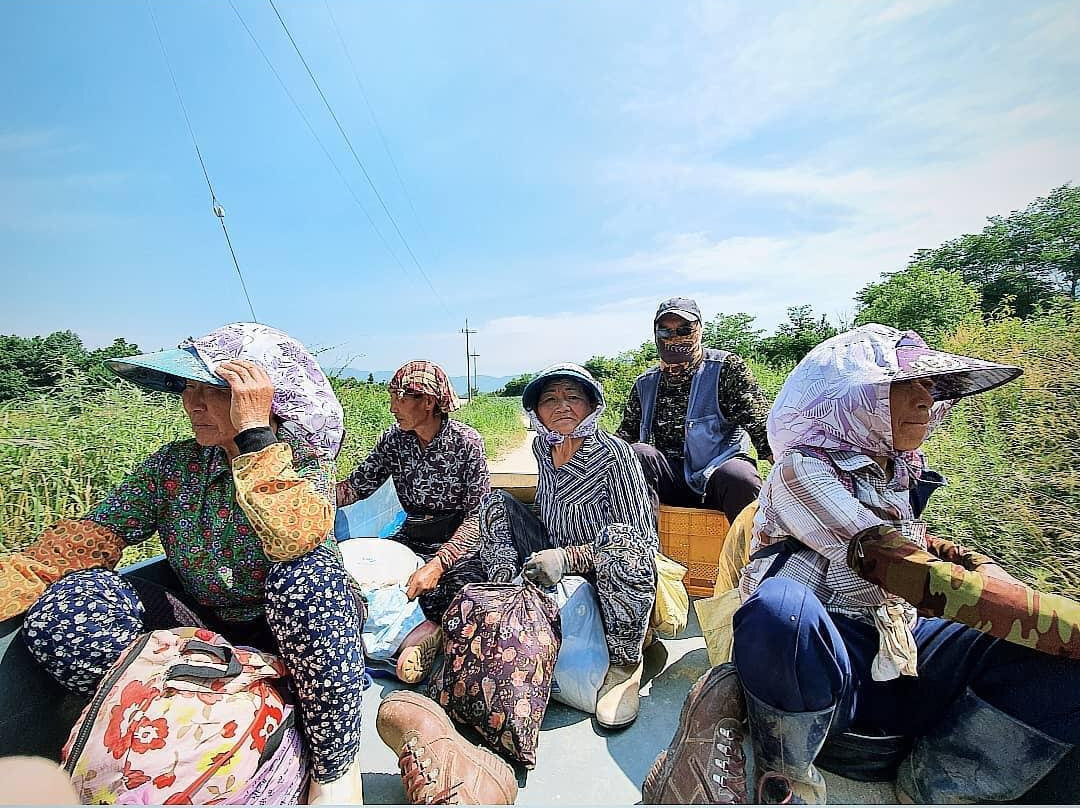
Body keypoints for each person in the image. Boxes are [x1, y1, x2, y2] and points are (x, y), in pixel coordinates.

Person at [644, 324, 1080, 804]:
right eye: (904, 385)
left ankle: (947, 783)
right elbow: (891, 560)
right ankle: (786, 768)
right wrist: (1056, 619)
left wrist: (982, 566)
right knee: (779, 609)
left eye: (928, 387)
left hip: (896, 636)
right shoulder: (801, 467)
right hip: (827, 660)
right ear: (857, 400)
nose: (924, 399)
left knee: (1060, 660)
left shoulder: (898, 466)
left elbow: (914, 542)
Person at [0, 323, 365, 805]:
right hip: (202, 634)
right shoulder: (174, 467)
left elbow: (294, 537)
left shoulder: (300, 467)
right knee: (69, 606)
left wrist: (255, 437)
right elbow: (92, 537)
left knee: (306, 579)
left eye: (214, 390)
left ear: (262, 401)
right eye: (188, 388)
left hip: (295, 634)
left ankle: (334, 768)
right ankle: (191, 713)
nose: (192, 403)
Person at [479, 363, 657, 729]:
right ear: (537, 412)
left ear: (592, 406)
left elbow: (640, 538)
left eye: (573, 397)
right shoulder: (543, 449)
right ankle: (508, 606)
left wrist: (569, 557)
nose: (562, 406)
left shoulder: (615, 455)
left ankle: (624, 664)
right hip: (552, 556)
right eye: (550, 399)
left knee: (624, 541)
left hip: (607, 571)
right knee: (496, 503)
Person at [337, 360, 489, 684]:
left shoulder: (467, 443)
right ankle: (417, 636)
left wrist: (438, 564)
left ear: (428, 402)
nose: (392, 407)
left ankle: (423, 635)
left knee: (464, 594)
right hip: (412, 535)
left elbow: (477, 517)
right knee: (368, 584)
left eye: (400, 397)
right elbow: (356, 486)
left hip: (457, 541)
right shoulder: (394, 439)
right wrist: (313, 498)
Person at [616, 297, 773, 524]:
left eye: (684, 329)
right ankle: (643, 550)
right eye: (665, 331)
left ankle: (755, 554)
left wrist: (789, 470)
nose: (675, 337)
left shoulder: (726, 370)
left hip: (717, 475)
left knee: (740, 476)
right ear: (655, 333)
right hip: (669, 480)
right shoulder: (646, 383)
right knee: (638, 454)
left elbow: (761, 426)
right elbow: (622, 439)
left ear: (699, 329)